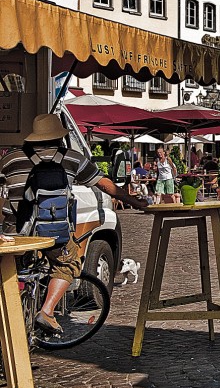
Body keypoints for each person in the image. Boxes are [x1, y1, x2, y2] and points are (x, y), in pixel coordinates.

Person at [0, 114, 148, 333]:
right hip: (52, 235)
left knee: (9, 273)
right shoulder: (72, 158)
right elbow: (105, 185)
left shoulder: (11, 159)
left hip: (16, 232)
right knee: (68, 264)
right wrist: (135, 202)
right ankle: (47, 312)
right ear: (59, 136)